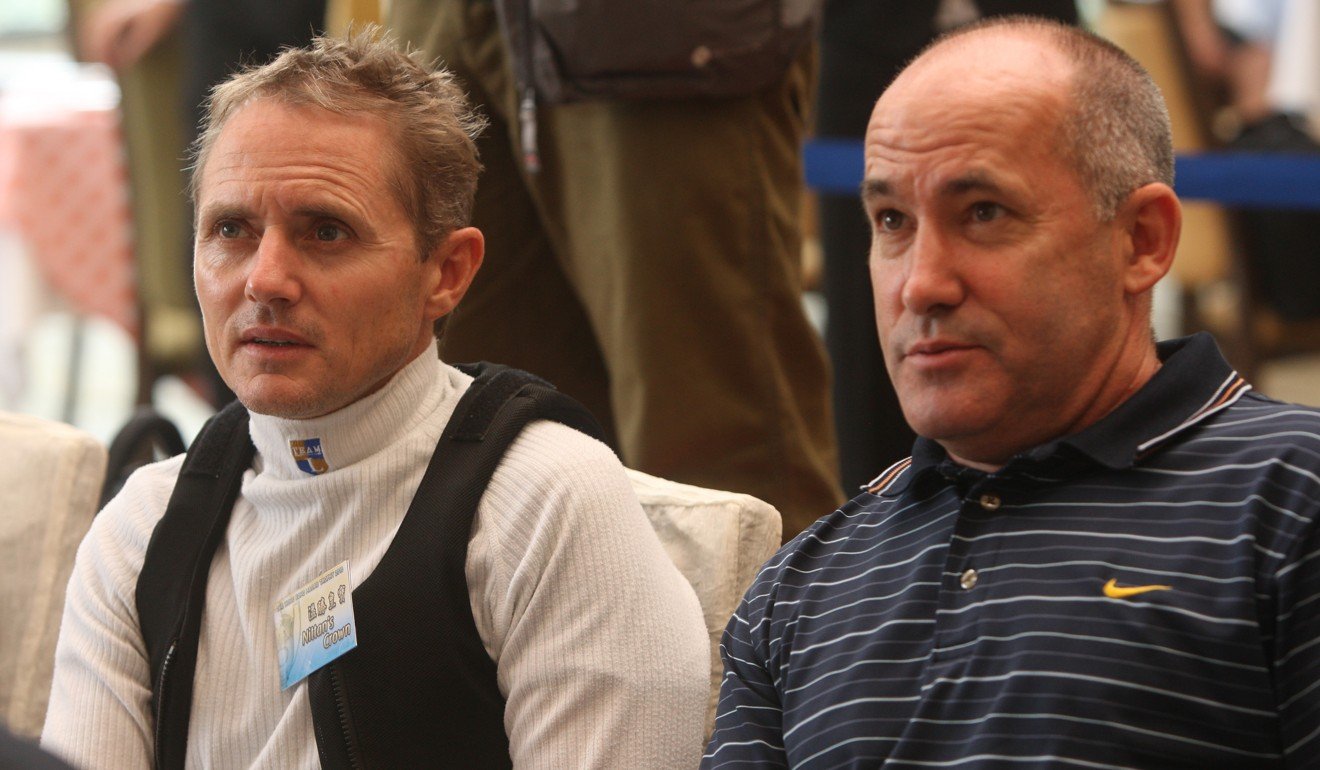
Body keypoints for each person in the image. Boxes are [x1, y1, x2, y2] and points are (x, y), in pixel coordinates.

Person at [41, 30, 709, 769]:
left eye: (325, 231)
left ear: (447, 272)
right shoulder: (140, 531)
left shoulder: (545, 505)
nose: (264, 279)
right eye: (231, 229)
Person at [704, 16, 1320, 768]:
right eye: (891, 220)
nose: (921, 283)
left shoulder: (1293, 498)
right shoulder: (803, 582)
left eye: (983, 213)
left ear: (1143, 240)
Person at [387, 0, 843, 538]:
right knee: (483, 442)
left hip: (651, 32)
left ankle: (769, 623)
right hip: (444, 20)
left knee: (715, 457)